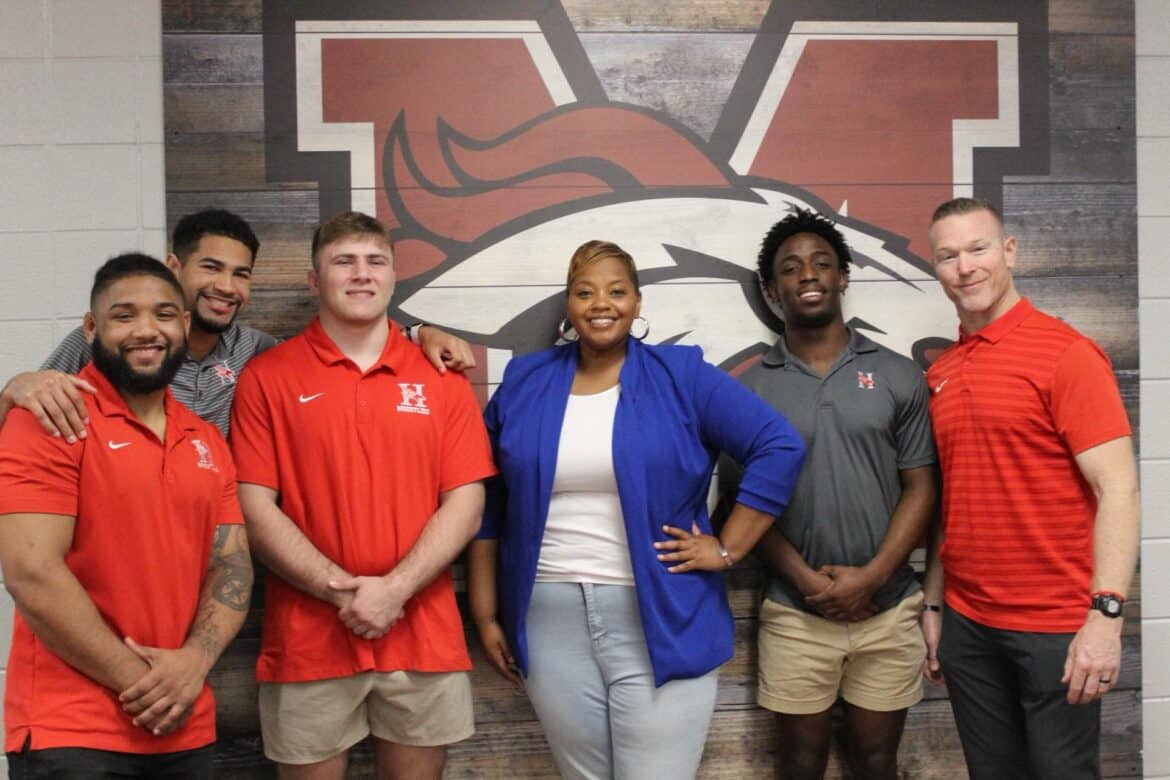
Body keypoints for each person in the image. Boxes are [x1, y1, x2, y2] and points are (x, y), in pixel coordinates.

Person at [468, 240, 806, 779]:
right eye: (585, 292)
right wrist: (486, 613)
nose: (601, 304)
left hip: (662, 614)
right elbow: (489, 498)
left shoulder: (681, 375)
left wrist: (728, 547)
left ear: (637, 301)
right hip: (548, 616)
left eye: (616, 291)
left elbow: (778, 445)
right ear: (569, 304)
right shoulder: (525, 381)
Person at [229, 211, 496, 779]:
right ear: (314, 280)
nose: (361, 274)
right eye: (343, 261)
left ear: (393, 276)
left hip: (422, 636)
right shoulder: (267, 377)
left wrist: (394, 590)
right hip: (308, 641)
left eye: (375, 261)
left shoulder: (442, 378)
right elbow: (253, 506)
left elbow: (466, 502)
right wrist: (344, 593)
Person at [0, 254, 252, 778]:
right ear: (91, 328)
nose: (146, 330)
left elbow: (231, 564)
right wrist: (144, 685)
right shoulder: (50, 418)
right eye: (124, 315)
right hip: (73, 731)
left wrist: (195, 663)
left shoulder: (205, 439)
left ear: (184, 325)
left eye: (164, 314)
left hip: (183, 725)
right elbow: (31, 573)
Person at [921, 197, 1140, 779]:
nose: (965, 267)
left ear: (1010, 251)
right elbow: (949, 501)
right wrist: (935, 604)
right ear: (936, 268)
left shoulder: (1066, 355)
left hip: (1056, 627)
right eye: (948, 256)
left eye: (978, 249)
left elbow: (1118, 489)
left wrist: (1106, 616)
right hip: (968, 624)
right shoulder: (942, 372)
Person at [721, 208, 937, 779]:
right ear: (772, 290)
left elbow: (921, 487)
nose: (808, 275)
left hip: (888, 606)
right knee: (799, 763)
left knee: (876, 761)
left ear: (843, 277)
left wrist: (871, 578)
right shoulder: (749, 389)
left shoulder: (898, 375)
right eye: (790, 268)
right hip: (796, 611)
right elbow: (743, 506)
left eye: (821, 263)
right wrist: (810, 584)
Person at [0, 208, 477, 439]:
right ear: (173, 266)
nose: (226, 287)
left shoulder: (258, 351)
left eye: (241, 274)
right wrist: (16, 387)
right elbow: (24, 407)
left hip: (217, 545)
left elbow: (342, 341)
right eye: (211, 268)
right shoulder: (114, 341)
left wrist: (418, 333)